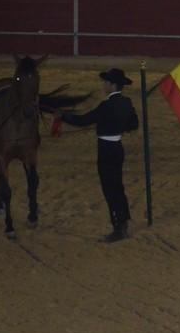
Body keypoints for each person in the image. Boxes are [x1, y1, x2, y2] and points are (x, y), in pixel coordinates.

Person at [58, 69, 139, 242]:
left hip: (106, 149)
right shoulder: (127, 103)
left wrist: (63, 116)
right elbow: (134, 124)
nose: (103, 85)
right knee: (118, 186)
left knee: (109, 189)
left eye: (106, 83)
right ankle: (123, 221)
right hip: (118, 147)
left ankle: (118, 227)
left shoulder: (106, 105)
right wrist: (120, 123)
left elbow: (83, 120)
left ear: (112, 85)